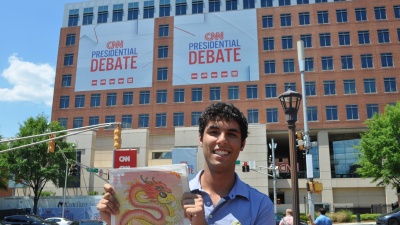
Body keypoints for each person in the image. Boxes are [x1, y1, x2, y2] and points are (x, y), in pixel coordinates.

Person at [96, 101, 275, 225]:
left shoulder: (260, 206)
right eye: (214, 132)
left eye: (232, 134)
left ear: (242, 144)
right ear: (200, 139)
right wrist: (115, 218)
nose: (222, 140)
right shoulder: (171, 196)